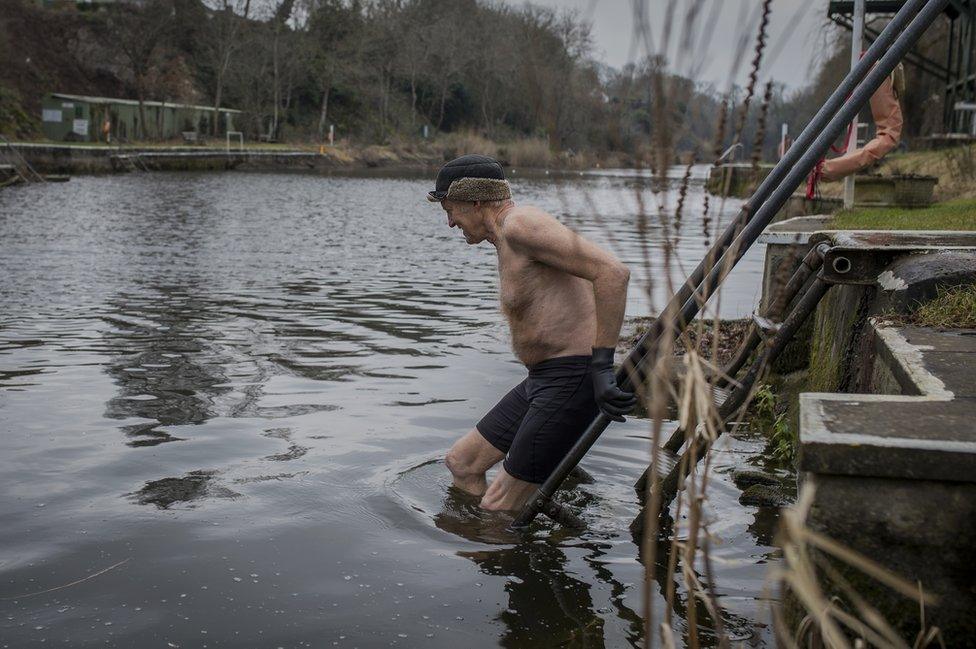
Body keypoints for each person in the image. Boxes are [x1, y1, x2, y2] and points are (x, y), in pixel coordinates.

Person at [427, 154, 636, 512]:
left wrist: (601, 367)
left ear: (475, 201)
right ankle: (508, 532)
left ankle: (504, 548)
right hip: (543, 379)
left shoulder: (520, 225)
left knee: (497, 509)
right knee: (462, 464)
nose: (449, 223)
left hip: (570, 379)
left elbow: (612, 273)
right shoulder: (508, 236)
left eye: (451, 209)